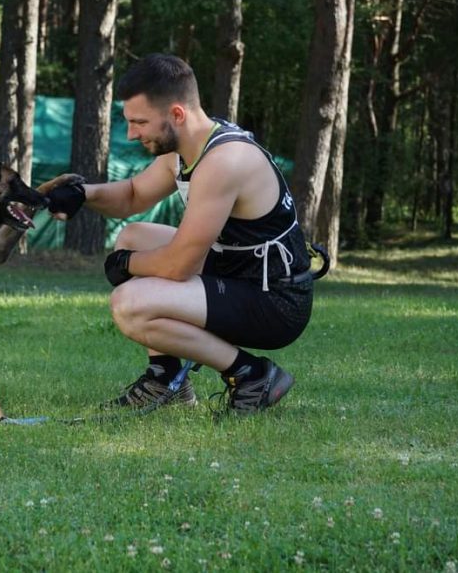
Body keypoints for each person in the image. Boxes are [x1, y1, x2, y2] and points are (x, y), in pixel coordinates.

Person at [45, 53, 314, 413]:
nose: (131, 133)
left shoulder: (223, 161)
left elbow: (181, 265)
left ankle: (252, 375)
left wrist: (126, 264)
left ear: (176, 114)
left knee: (131, 305)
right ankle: (166, 380)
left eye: (139, 122)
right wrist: (83, 193)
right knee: (132, 235)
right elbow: (133, 195)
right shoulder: (189, 147)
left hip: (276, 301)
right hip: (239, 271)